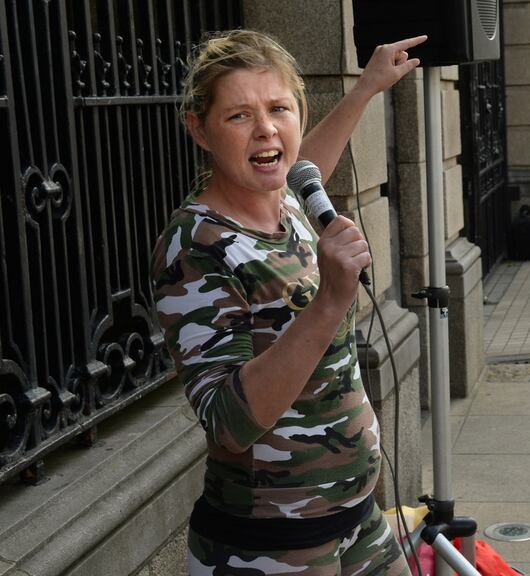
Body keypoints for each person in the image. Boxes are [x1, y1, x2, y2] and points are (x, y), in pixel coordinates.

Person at [150, 30, 423, 575]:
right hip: (271, 546)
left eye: (280, 107)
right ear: (198, 129)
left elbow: (302, 163)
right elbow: (227, 422)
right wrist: (328, 303)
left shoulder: (284, 200)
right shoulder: (198, 246)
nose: (266, 128)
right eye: (238, 116)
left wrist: (365, 88)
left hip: (355, 519)